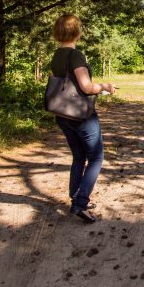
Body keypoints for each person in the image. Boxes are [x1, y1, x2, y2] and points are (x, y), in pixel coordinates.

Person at [50, 14, 117, 223]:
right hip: (81, 115)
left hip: (62, 113)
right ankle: (80, 203)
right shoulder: (76, 55)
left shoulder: (57, 55)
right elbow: (86, 87)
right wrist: (104, 86)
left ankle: (76, 196)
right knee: (96, 157)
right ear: (77, 32)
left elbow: (70, 84)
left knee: (79, 156)